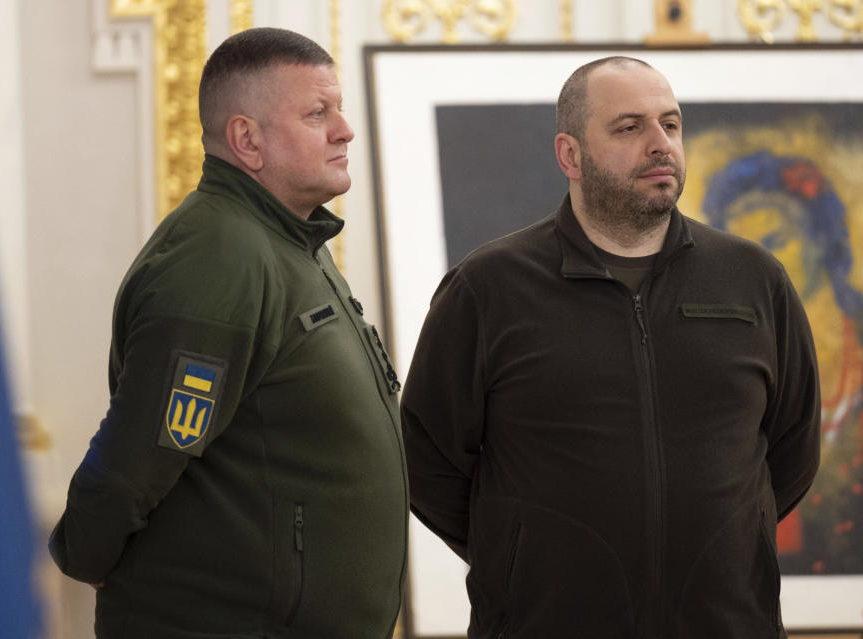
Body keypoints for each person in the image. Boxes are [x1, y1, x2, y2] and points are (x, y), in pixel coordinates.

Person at [400, 56, 821, 638]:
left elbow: (793, 449)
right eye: (630, 127)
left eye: (670, 124)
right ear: (570, 155)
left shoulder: (753, 278)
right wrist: (522, 559)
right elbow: (427, 457)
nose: (660, 144)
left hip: (728, 625)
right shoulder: (490, 287)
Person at [49, 27, 407, 639]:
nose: (344, 129)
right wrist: (83, 551)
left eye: (338, 109)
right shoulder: (220, 256)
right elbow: (143, 450)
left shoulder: (285, 240)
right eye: (318, 113)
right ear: (247, 139)